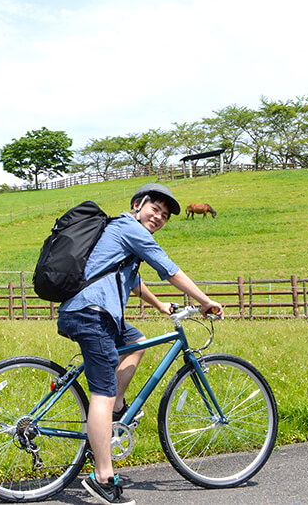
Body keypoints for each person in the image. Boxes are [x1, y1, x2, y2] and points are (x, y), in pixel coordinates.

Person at [57, 183, 224, 505]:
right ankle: (102, 477)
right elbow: (169, 269)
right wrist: (204, 300)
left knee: (137, 341)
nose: (159, 217)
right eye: (155, 209)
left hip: (96, 314)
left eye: (164, 215)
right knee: (101, 395)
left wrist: (161, 306)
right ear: (138, 205)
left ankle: (118, 409)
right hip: (93, 315)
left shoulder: (120, 234)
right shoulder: (128, 227)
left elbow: (133, 281)